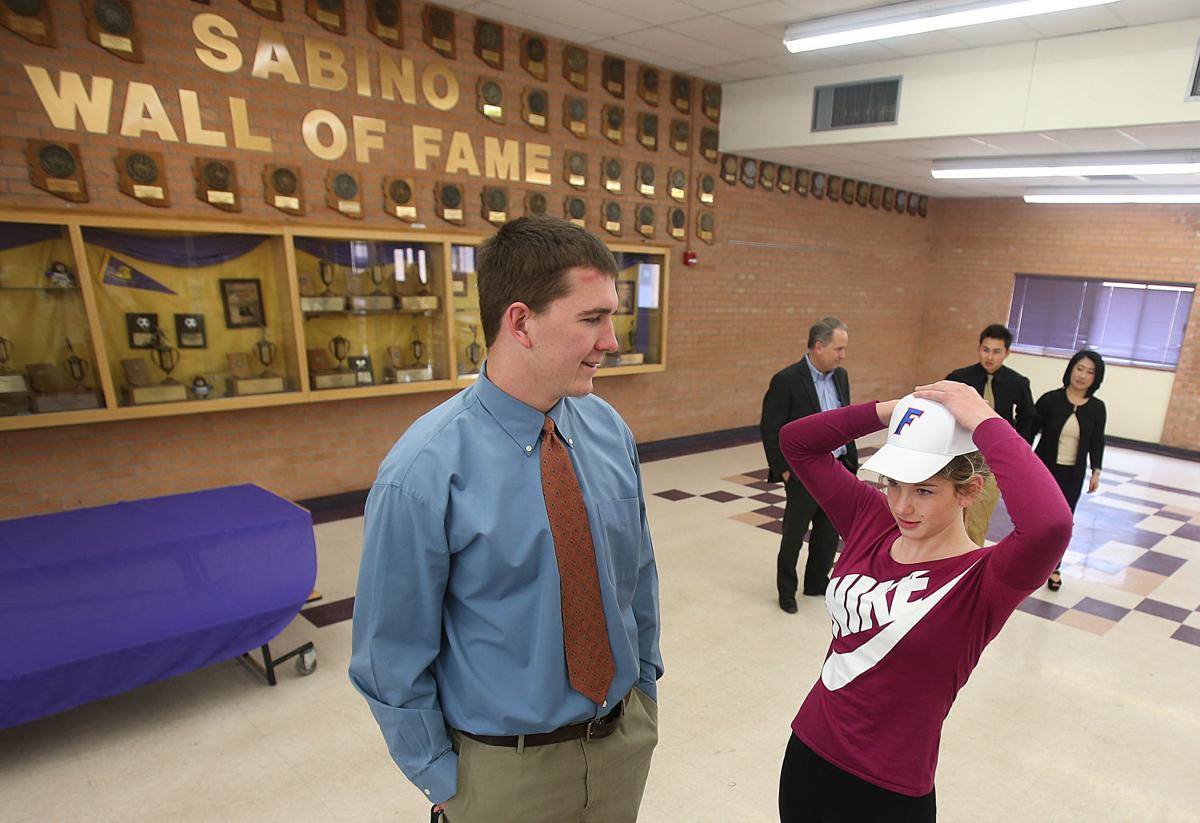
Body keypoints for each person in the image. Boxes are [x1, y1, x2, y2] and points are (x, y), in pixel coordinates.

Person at [349, 216, 662, 823]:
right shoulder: (421, 472)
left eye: (612, 316)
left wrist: (644, 693)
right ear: (520, 322)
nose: (612, 341)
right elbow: (390, 653)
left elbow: (638, 581)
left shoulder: (608, 432)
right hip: (501, 777)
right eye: (592, 319)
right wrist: (448, 785)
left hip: (622, 746)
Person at [776, 381, 1073, 822]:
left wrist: (983, 420)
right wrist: (897, 412)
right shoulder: (871, 520)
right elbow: (796, 443)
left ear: (968, 491)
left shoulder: (987, 577)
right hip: (810, 753)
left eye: (924, 491)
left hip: (890, 789)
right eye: (894, 484)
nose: (902, 506)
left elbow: (1050, 523)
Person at [760, 317, 858, 613]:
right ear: (818, 346)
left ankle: (816, 581)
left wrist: (850, 463)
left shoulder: (841, 377)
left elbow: (845, 419)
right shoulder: (787, 380)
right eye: (838, 349)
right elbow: (771, 428)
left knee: (828, 533)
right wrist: (785, 470)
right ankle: (786, 591)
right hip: (803, 472)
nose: (842, 355)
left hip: (837, 468)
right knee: (794, 535)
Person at [945, 323, 1035, 546]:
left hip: (993, 458)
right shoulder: (959, 378)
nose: (990, 357)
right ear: (979, 349)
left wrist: (1017, 449)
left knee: (980, 512)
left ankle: (972, 558)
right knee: (950, 508)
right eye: (985, 350)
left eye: (996, 351)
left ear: (1007, 353)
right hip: (960, 453)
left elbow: (1028, 417)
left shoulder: (1018, 382)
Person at [1032, 349, 1107, 591]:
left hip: (1072, 475)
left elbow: (1097, 440)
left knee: (1062, 523)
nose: (1083, 375)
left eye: (1090, 372)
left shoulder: (1097, 408)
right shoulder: (1050, 399)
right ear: (1071, 369)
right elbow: (1028, 432)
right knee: (1037, 519)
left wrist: (1096, 469)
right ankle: (1029, 563)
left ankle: (1054, 567)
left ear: (1096, 378)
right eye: (1079, 368)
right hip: (1044, 472)